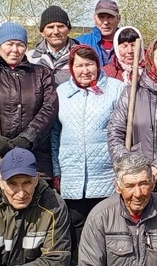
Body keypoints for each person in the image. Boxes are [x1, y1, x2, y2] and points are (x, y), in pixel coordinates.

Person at [0, 21, 58, 201]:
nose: (15, 50)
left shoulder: (41, 73)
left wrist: (28, 137)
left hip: (35, 158)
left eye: (20, 45)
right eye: (9, 44)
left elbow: (49, 108)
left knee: (34, 217)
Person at [52, 44, 125, 246]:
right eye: (79, 65)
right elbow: (55, 134)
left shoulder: (115, 89)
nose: (85, 70)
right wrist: (57, 170)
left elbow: (124, 130)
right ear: (71, 67)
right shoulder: (62, 92)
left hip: (105, 173)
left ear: (98, 65)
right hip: (72, 173)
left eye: (89, 64)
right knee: (75, 222)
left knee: (106, 224)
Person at [108, 37, 157, 208]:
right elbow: (115, 132)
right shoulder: (132, 92)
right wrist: (132, 169)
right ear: (150, 59)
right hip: (135, 187)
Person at [29, 5, 78, 85]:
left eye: (60, 26)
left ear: (68, 29)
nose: (56, 32)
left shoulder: (82, 56)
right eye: (50, 27)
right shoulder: (30, 58)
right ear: (42, 32)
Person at [74, 0, 120, 66]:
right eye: (101, 17)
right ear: (94, 18)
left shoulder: (129, 44)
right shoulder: (80, 43)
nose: (105, 22)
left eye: (110, 17)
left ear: (118, 18)